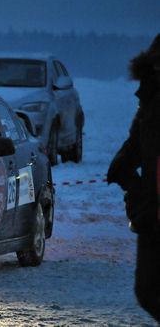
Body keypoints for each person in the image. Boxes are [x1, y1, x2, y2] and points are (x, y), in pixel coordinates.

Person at [107, 33, 160, 322]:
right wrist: (130, 181)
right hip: (153, 213)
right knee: (147, 290)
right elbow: (136, 145)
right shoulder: (150, 101)